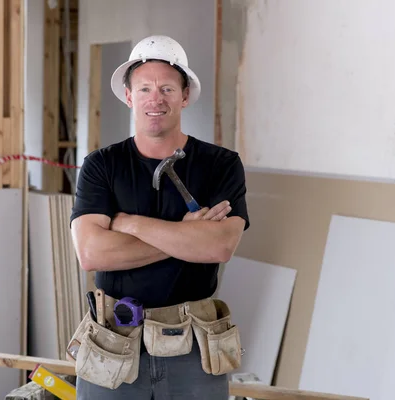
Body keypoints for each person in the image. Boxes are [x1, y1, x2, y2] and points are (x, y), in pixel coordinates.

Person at [70, 35, 250, 400]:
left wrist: (130, 223)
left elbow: (219, 246)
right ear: (128, 95)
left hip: (195, 345)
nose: (156, 98)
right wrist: (185, 236)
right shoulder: (101, 165)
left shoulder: (221, 165)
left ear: (185, 96)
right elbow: (93, 254)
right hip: (114, 339)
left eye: (167, 88)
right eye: (145, 88)